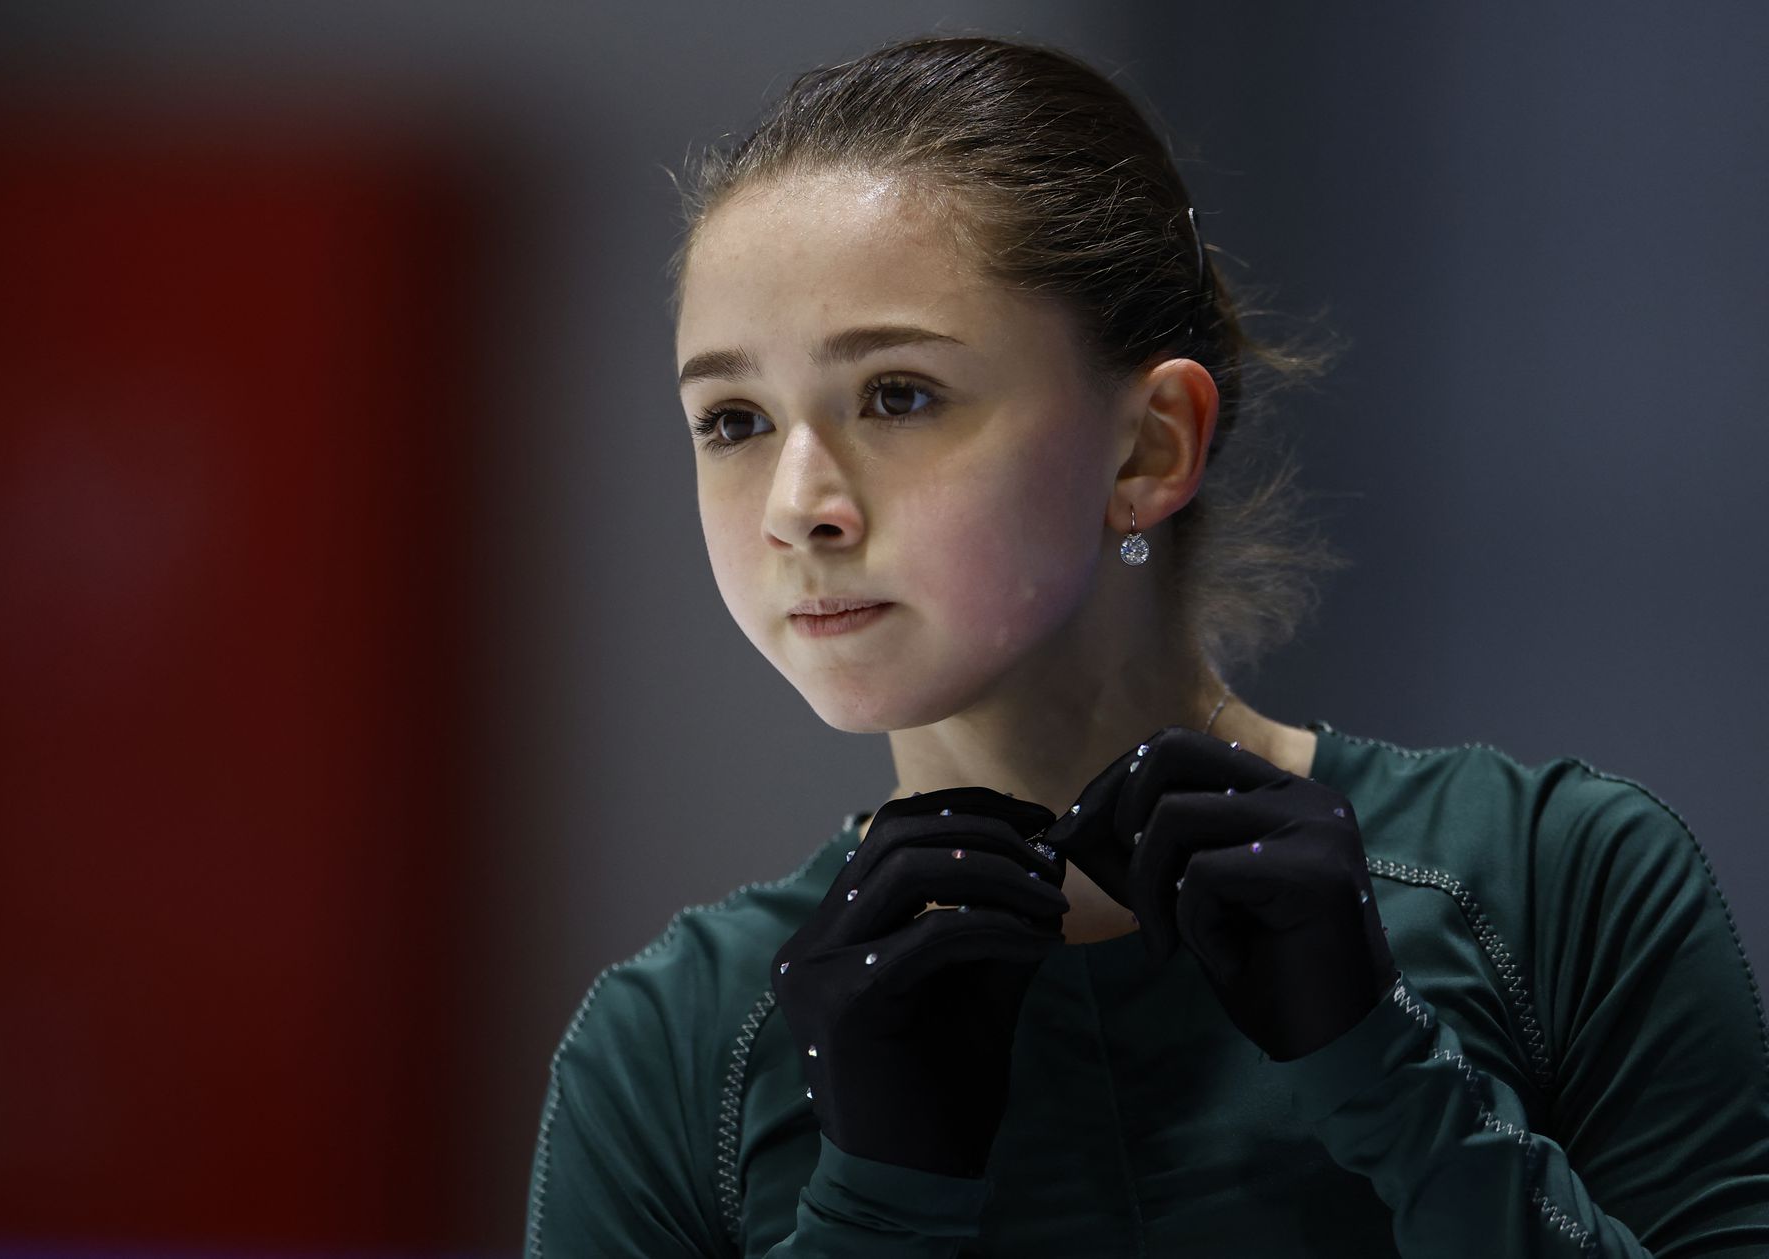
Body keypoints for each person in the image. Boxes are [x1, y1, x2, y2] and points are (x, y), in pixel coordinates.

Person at [524, 32, 1769, 1257]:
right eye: (732, 418)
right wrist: (877, 1206)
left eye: (899, 394)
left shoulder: (1559, 883)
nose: (800, 502)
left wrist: (1385, 1068)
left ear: (1150, 445)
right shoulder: (670, 1042)